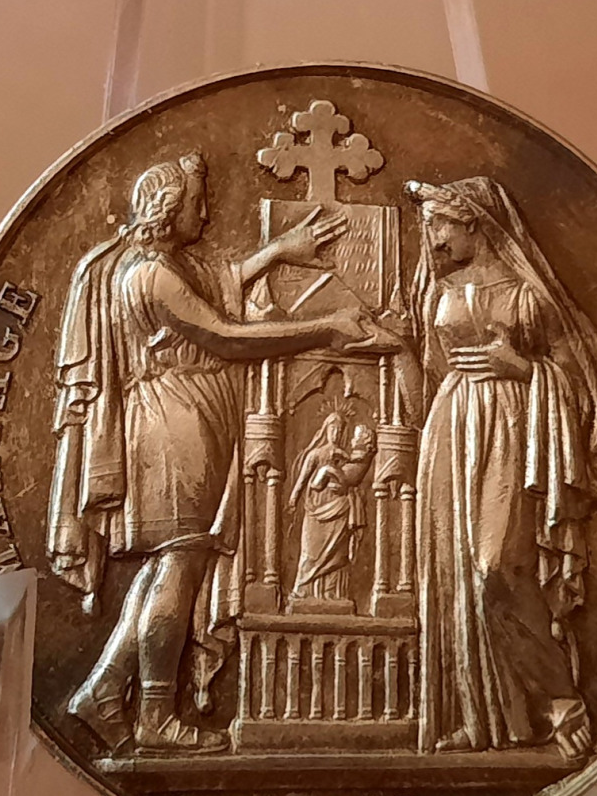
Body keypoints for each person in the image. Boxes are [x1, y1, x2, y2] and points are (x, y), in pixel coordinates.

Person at [47, 152, 394, 753]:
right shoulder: (152, 275)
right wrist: (326, 328)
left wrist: (276, 252)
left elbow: (213, 291)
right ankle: (156, 716)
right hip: (176, 425)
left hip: (185, 418)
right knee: (178, 565)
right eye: (196, 203)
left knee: (168, 565)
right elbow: (225, 336)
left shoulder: (157, 267)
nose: (206, 214)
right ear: (168, 209)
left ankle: (103, 691)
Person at [404, 176, 597, 759]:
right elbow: (432, 372)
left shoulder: (528, 297)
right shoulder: (438, 294)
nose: (434, 239)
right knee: (457, 574)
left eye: (441, 225)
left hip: (513, 430)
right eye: (429, 226)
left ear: (474, 223)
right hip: (451, 428)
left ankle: (561, 699)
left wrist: (523, 370)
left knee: (497, 569)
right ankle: (481, 717)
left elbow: (579, 382)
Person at [288, 414, 375, 608]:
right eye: (333, 429)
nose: (336, 433)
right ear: (325, 430)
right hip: (316, 509)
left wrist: (338, 478)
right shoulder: (315, 454)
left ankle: (332, 593)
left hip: (338, 509)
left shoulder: (345, 456)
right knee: (311, 551)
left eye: (340, 430)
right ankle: (303, 590)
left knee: (337, 554)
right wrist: (294, 496)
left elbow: (351, 478)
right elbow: (304, 478)